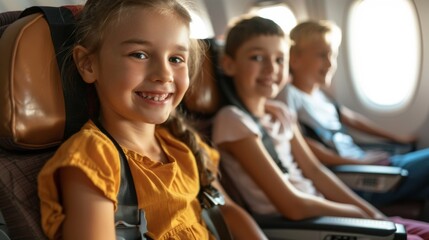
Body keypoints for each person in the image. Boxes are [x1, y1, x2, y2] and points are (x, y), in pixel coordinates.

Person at [37, 1, 268, 239]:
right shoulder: (94, 158)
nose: (164, 74)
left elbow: (225, 212)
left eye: (176, 59)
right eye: (139, 54)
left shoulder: (181, 144)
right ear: (88, 64)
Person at [211, 15, 429, 239]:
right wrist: (354, 212)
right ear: (229, 64)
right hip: (306, 224)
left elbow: (315, 171)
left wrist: (372, 213)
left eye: (279, 59)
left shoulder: (280, 113)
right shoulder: (233, 121)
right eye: (257, 57)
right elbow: (292, 206)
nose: (271, 68)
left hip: (322, 209)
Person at [279, 20, 429, 206]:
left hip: (365, 164)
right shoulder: (289, 95)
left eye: (332, 55)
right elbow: (303, 145)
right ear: (294, 58)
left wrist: (397, 137)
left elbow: (352, 119)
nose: (330, 63)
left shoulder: (319, 94)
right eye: (321, 55)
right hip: (355, 177)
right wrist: (359, 163)